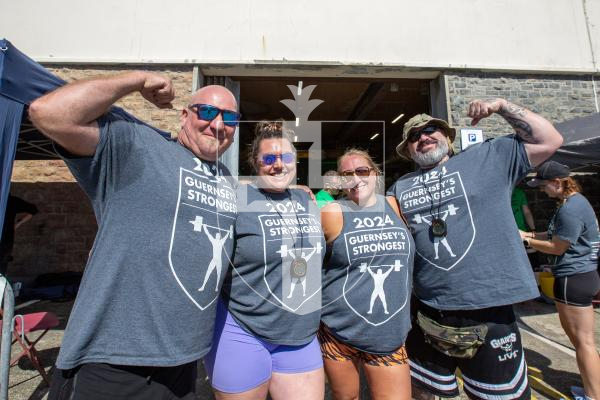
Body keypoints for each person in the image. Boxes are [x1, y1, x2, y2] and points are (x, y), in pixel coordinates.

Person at [28, 71, 240, 399]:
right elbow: (48, 113)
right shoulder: (138, 145)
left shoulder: (226, 178)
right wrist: (136, 80)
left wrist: (292, 193)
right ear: (185, 115)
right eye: (209, 112)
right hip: (113, 361)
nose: (218, 124)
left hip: (184, 363)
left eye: (231, 118)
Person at [387, 98, 562, 399]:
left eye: (431, 129)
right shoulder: (400, 187)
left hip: (489, 309)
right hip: (429, 308)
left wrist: (503, 106)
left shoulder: (487, 157)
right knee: (424, 392)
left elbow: (550, 140)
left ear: (448, 136)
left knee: (498, 395)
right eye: (414, 136)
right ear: (408, 150)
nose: (423, 137)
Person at [204, 121, 325, 400]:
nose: (278, 165)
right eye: (268, 158)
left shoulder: (311, 200)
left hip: (300, 335)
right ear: (255, 162)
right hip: (242, 329)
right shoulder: (234, 197)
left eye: (286, 158)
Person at [319, 149, 414, 400]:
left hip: (388, 334)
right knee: (346, 397)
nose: (355, 179)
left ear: (376, 174)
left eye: (362, 171)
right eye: (346, 174)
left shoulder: (395, 206)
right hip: (338, 332)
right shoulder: (331, 212)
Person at [520, 161, 600, 400]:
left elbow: (557, 246)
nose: (542, 190)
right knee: (583, 342)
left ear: (558, 183)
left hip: (572, 279)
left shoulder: (570, 208)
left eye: (544, 186)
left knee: (582, 342)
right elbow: (558, 234)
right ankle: (590, 387)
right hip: (583, 275)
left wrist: (526, 242)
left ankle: (593, 394)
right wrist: (530, 234)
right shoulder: (575, 203)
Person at [0, 194, 38, 276]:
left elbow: (33, 210)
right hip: (6, 241)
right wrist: (17, 224)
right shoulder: (11, 201)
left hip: (5, 242)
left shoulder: (10, 201)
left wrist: (17, 224)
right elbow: (33, 210)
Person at [512, 185, 538, 268]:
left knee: (530, 257)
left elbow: (526, 212)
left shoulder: (519, 192)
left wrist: (532, 229)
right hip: (505, 231)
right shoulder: (498, 192)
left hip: (521, 231)